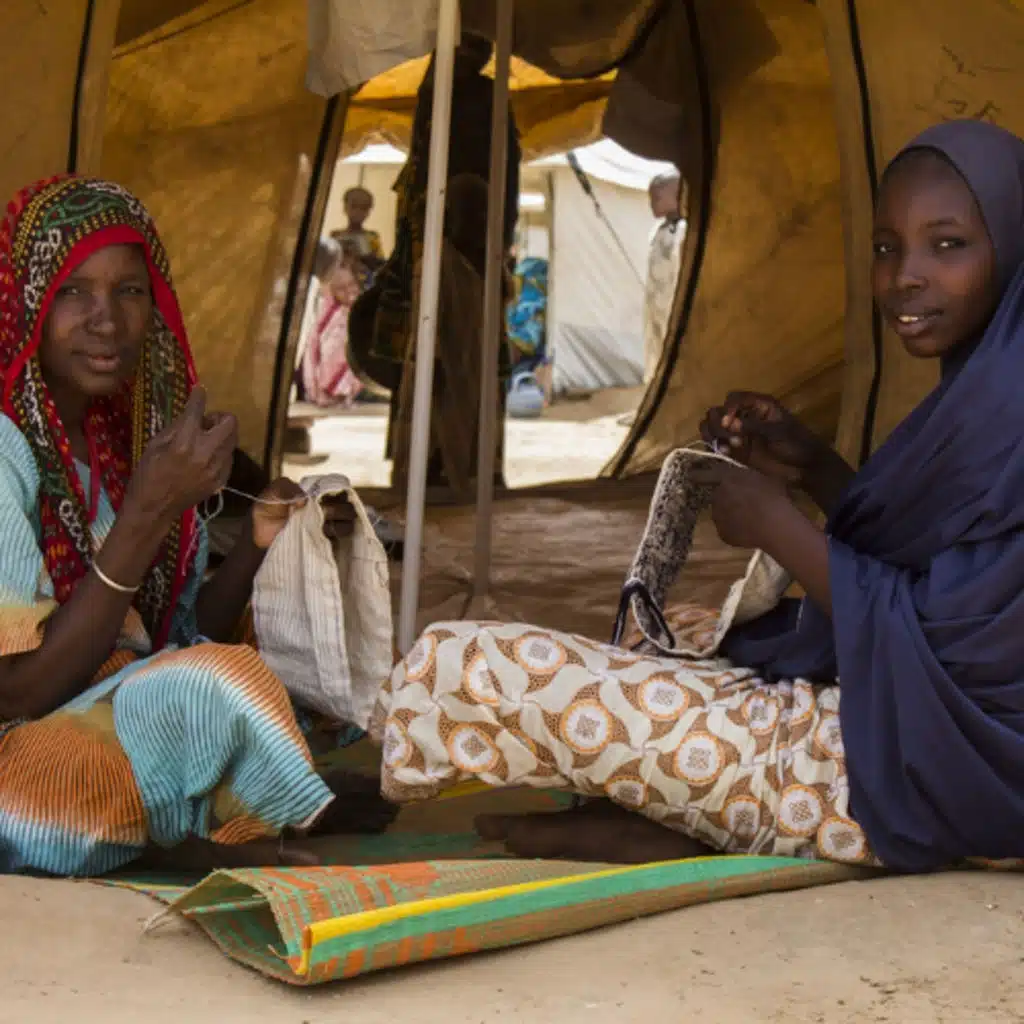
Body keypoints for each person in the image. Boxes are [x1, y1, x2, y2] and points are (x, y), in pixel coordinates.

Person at [376, 119, 1024, 872]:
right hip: (908, 739)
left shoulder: (1010, 407)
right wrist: (813, 465)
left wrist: (778, 528)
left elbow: (947, 647)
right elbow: (942, 559)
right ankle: (677, 822)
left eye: (948, 245)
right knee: (667, 636)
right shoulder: (985, 392)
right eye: (886, 248)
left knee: (469, 663)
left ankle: (696, 821)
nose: (906, 274)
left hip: (929, 779)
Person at [0, 176, 394, 877]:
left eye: (129, 290)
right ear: (26, 302)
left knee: (262, 655)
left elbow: (169, 637)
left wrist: (257, 543)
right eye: (72, 291)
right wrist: (149, 511)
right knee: (209, 688)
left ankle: (220, 807)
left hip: (107, 706)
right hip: (21, 747)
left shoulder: (119, 439)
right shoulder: (6, 448)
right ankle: (206, 827)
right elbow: (19, 694)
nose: (106, 320)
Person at [356, 33, 521, 500]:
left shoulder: (480, 96)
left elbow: (503, 172)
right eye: (463, 48)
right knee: (434, 360)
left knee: (463, 359)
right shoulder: (434, 93)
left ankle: (461, 463)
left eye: (475, 49)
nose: (470, 57)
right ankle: (434, 463)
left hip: (468, 251)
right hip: (436, 249)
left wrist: (487, 233)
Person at [301, 242, 364, 408]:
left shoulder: (358, 310)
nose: (349, 291)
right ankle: (323, 393)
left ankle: (346, 394)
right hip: (326, 354)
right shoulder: (326, 311)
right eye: (341, 288)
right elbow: (314, 348)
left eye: (352, 284)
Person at [642, 171, 686, 386]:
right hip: (657, 310)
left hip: (673, 309)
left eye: (657, 197)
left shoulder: (684, 231)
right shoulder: (659, 231)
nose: (652, 203)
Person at [331, 187, 384, 288]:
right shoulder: (336, 235)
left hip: (364, 287)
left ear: (368, 212)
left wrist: (367, 257)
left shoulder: (372, 237)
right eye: (354, 206)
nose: (358, 212)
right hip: (339, 287)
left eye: (364, 208)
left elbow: (379, 266)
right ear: (345, 207)